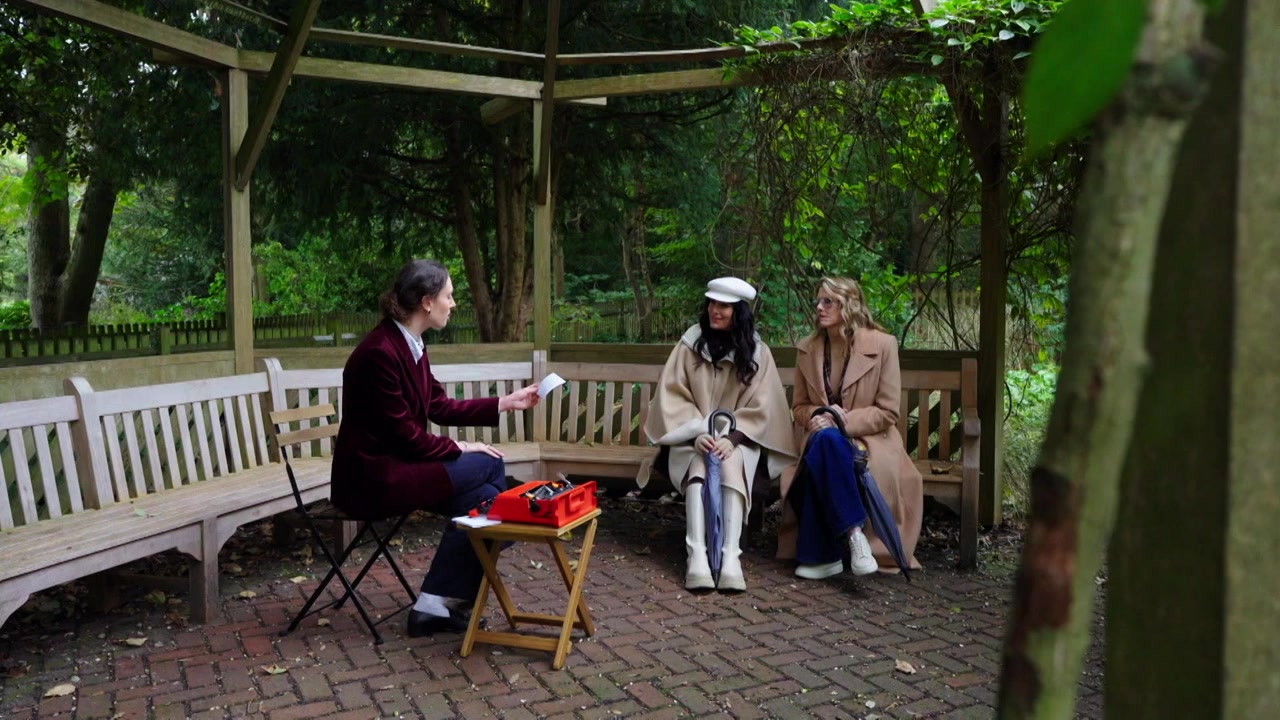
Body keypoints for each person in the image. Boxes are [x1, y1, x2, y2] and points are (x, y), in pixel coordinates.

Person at [331, 259, 541, 638]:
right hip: (372, 479)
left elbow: (439, 406)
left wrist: (505, 403)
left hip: (401, 466)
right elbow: (405, 437)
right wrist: (461, 446)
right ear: (427, 302)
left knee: (484, 499)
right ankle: (474, 564)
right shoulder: (380, 353)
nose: (453, 303)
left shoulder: (410, 344)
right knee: (490, 472)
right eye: (449, 295)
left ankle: (432, 606)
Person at [644, 277, 797, 591]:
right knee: (698, 465)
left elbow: (763, 407)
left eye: (724, 306)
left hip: (740, 439)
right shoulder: (689, 345)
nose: (716, 310)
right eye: (712, 303)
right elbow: (673, 397)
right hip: (690, 437)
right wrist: (696, 434)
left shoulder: (758, 353)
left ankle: (730, 557)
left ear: (739, 312)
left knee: (731, 463)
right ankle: (697, 555)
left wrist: (732, 438)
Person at [777, 277, 923, 578]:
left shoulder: (883, 344)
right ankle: (854, 534)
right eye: (818, 301)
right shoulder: (807, 348)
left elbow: (888, 411)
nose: (819, 307)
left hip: (871, 441)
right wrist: (818, 415)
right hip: (819, 435)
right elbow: (799, 407)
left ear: (850, 304)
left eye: (828, 301)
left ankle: (821, 556)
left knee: (826, 446)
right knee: (826, 441)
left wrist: (842, 420)